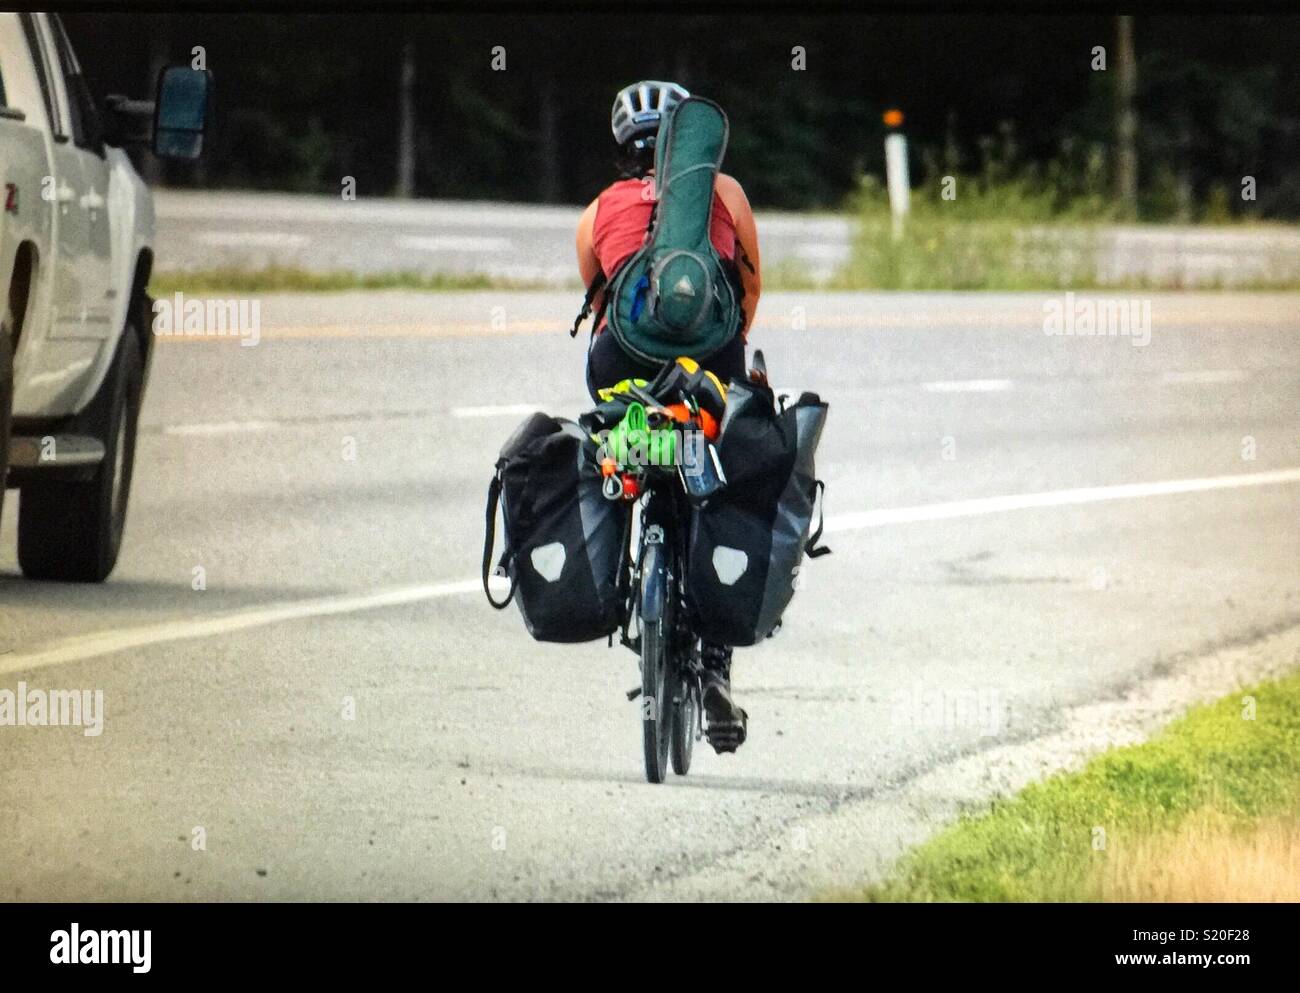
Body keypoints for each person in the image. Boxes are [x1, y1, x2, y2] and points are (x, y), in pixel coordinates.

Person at [574, 80, 761, 752]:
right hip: (711, 359)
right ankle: (713, 667)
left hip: (619, 365)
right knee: (720, 478)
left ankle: (624, 523)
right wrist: (724, 354)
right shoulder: (727, 194)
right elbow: (748, 289)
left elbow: (599, 306)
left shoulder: (596, 211)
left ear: (624, 144)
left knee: (617, 442)